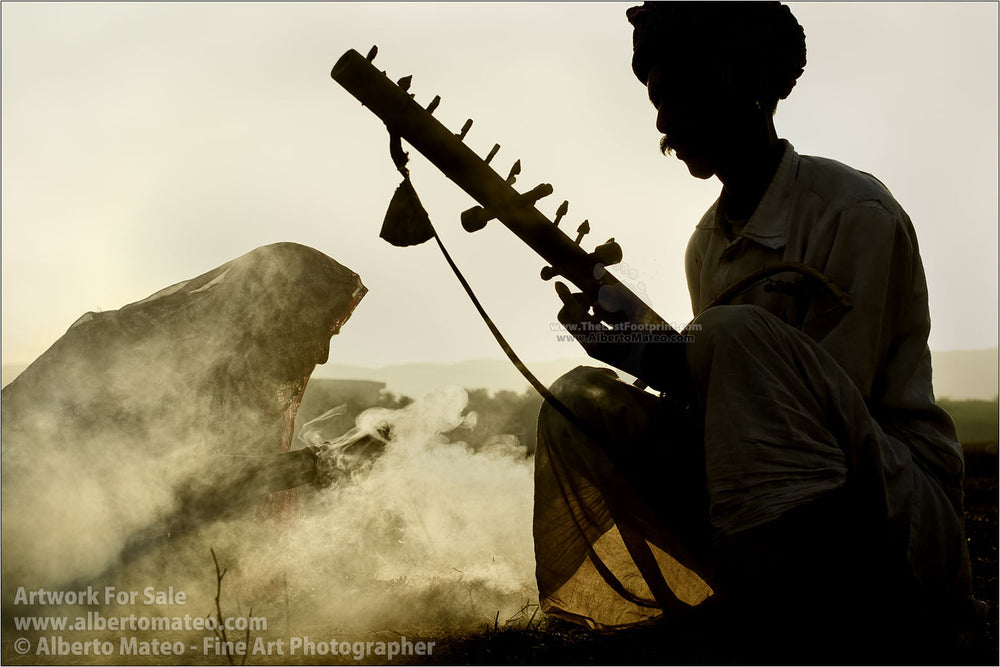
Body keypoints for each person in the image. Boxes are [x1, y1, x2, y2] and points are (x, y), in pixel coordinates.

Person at [533, 1, 977, 654]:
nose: (661, 120)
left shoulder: (854, 213)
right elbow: (722, 411)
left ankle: (773, 624)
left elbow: (821, 418)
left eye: (674, 93)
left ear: (737, 79)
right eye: (654, 101)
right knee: (579, 401)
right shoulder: (706, 244)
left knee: (727, 332)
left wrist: (687, 352)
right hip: (767, 515)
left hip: (889, 518)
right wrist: (633, 353)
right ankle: (616, 614)